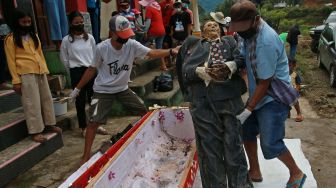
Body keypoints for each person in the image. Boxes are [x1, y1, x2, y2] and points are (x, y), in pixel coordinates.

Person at [69, 15, 180, 164]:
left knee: (144, 112)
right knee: (94, 122)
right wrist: (77, 88)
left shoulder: (132, 45)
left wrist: (171, 51)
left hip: (122, 89)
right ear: (112, 33)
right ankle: (85, 155)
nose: (125, 39)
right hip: (103, 91)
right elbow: (91, 69)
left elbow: (151, 53)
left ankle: (144, 140)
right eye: (122, 35)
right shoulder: (102, 48)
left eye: (127, 34)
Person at [230, 1, 306, 187]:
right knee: (246, 130)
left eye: (243, 29)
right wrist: (232, 64)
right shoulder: (248, 33)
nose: (241, 33)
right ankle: (255, 170)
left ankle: (297, 173)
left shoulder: (266, 41)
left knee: (270, 143)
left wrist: (249, 107)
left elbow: (266, 82)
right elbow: (243, 55)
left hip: (273, 96)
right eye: (237, 29)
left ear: (256, 20)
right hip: (259, 92)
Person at [176, 20, 252, 188]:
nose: (213, 27)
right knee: (210, 148)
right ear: (202, 33)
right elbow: (184, 71)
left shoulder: (230, 42)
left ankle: (240, 184)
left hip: (230, 98)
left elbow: (242, 58)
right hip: (203, 100)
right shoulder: (194, 46)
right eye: (209, 25)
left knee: (234, 144)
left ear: (221, 30)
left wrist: (230, 66)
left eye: (216, 25)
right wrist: (200, 71)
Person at [4, 9, 62, 143]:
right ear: (17, 22)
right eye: (23, 22)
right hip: (25, 74)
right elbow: (11, 61)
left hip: (40, 72)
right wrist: (16, 81)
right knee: (32, 103)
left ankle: (49, 124)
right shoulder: (11, 39)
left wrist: (46, 72)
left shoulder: (34, 36)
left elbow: (40, 54)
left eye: (29, 21)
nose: (27, 24)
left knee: (46, 99)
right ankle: (35, 131)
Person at [60, 11, 108, 137]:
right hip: (76, 71)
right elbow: (64, 58)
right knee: (80, 101)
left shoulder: (90, 38)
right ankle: (83, 127)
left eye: (81, 22)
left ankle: (96, 123)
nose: (79, 24)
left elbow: (95, 54)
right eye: (76, 23)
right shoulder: (66, 40)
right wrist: (70, 71)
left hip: (90, 70)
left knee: (95, 98)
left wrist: (96, 69)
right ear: (71, 24)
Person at [140, 0, 167, 71]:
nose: (144, 6)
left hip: (154, 30)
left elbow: (148, 22)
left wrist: (145, 32)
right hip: (162, 30)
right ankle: (163, 65)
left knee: (143, 42)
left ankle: (135, 59)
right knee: (159, 49)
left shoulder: (149, 8)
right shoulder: (158, 7)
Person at [288, 58, 303, 122]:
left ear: (294, 66)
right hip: (285, 92)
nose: (288, 67)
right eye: (286, 65)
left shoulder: (295, 74)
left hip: (293, 92)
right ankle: (287, 116)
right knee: (286, 106)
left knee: (295, 102)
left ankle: (299, 113)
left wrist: (296, 90)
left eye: (290, 65)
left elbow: (298, 84)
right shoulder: (283, 74)